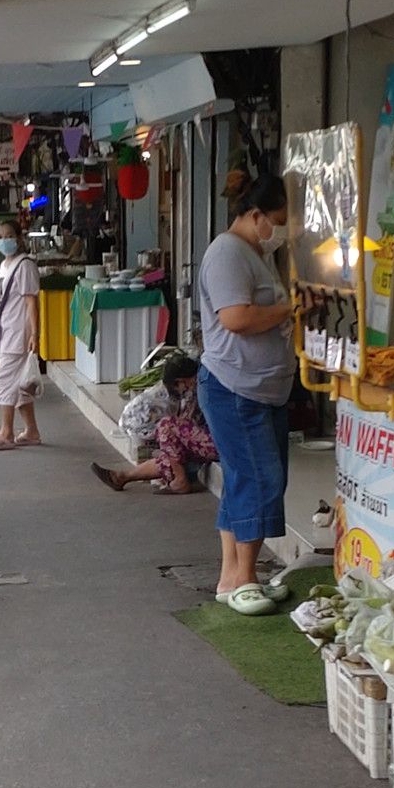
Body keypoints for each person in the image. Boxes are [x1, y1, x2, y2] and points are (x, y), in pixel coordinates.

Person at [195, 174, 297, 613]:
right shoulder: (227, 253)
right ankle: (245, 578)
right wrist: (289, 309)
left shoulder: (256, 253)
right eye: (278, 220)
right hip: (236, 388)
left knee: (245, 479)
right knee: (259, 479)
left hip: (261, 388)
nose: (282, 230)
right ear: (256, 215)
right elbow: (236, 318)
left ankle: (231, 577)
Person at [93, 354, 216, 493]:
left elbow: (188, 424)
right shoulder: (196, 389)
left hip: (221, 443)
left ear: (181, 381)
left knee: (166, 426)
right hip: (211, 441)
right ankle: (122, 477)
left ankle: (180, 480)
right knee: (170, 456)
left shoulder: (201, 388)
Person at [0, 216, 43, 451]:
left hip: (18, 332)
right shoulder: (5, 265)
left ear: (18, 238)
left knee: (3, 380)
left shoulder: (25, 266)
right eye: (0, 236)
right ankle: (31, 431)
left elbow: (31, 302)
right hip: (5, 331)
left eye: (8, 236)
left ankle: (6, 432)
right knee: (19, 383)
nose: (3, 240)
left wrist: (35, 334)